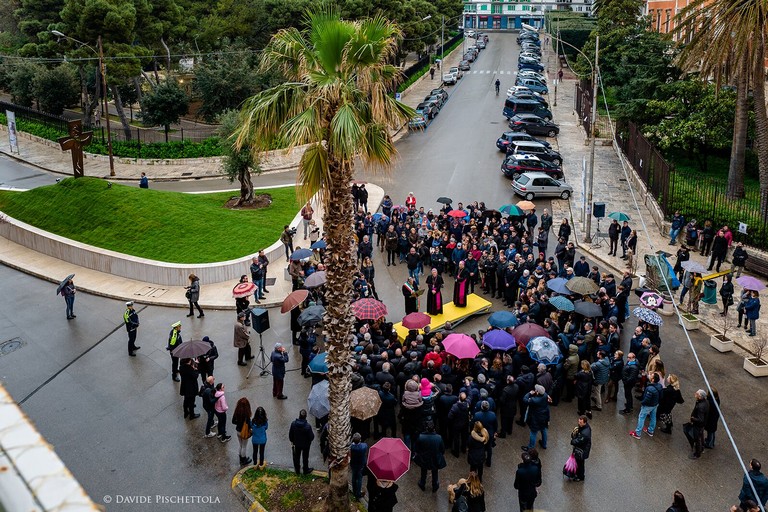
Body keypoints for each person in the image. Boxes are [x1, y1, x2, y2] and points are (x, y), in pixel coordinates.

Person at [415, 420, 446, 493]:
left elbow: (417, 449)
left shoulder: (421, 437)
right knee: (435, 472)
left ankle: (422, 483)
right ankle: (435, 486)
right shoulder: (439, 437)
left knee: (423, 471)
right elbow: (442, 449)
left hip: (424, 458)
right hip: (435, 458)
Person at [630, 372, 661, 439]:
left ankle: (637, 433)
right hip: (655, 404)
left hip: (648, 405)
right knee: (653, 417)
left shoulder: (650, 389)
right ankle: (650, 431)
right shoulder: (659, 386)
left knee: (641, 417)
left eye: (651, 375)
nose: (649, 375)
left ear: (652, 379)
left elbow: (647, 399)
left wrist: (642, 403)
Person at [522, 385, 549, 452]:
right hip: (544, 416)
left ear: (537, 392)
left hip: (536, 419)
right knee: (543, 429)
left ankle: (530, 448)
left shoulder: (535, 400)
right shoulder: (545, 395)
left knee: (533, 433)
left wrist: (529, 393)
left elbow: (525, 400)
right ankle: (544, 444)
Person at [289, 409, 315, 475]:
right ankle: (305, 470)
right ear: (306, 416)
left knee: (297, 457)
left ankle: (297, 470)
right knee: (305, 458)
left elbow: (290, 434)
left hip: (297, 444)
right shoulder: (308, 426)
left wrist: (292, 441)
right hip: (306, 445)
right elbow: (311, 437)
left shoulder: (293, 424)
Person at [686, 389, 709, 459]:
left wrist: (693, 419)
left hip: (698, 425)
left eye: (696, 394)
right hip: (702, 425)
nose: (695, 394)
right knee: (701, 435)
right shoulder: (705, 402)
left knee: (697, 438)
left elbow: (700, 419)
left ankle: (697, 453)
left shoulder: (700, 407)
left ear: (700, 396)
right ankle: (702, 447)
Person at [570, 415, 592, 482]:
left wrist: (572, 441)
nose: (579, 423)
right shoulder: (584, 427)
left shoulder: (585, 433)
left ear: (584, 422)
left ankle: (580, 476)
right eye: (579, 422)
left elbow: (578, 441)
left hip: (582, 450)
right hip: (582, 449)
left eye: (580, 422)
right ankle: (578, 474)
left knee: (580, 463)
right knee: (579, 463)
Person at [232, 397, 253, 465]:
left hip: (238, 431)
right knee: (244, 446)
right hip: (244, 432)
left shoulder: (236, 412)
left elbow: (233, 421)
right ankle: (243, 459)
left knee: (240, 445)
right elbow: (249, 424)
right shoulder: (246, 415)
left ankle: (240, 457)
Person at [350, 432, 369, 501]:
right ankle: (358, 493)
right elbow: (365, 445)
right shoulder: (363, 446)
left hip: (353, 464)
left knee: (353, 477)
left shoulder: (351, 447)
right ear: (360, 440)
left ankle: (354, 490)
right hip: (360, 465)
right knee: (359, 479)